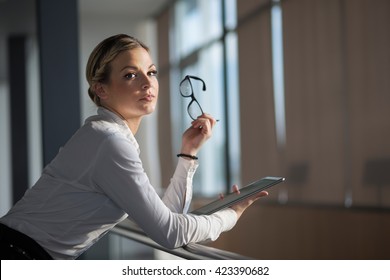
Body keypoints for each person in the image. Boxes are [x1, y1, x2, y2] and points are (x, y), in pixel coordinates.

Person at [0, 34, 268, 260]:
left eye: (151, 72)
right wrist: (229, 217)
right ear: (101, 89)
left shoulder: (107, 136)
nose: (147, 82)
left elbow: (165, 218)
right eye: (130, 74)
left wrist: (188, 153)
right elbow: (169, 232)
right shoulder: (108, 142)